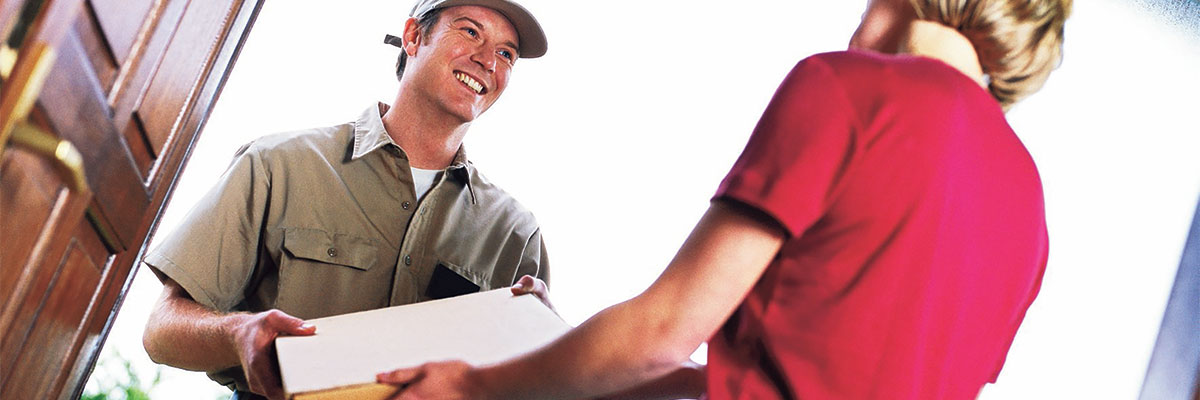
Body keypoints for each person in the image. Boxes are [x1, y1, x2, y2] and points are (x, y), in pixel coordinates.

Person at [376, 0, 1071, 398]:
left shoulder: (849, 89)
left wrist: (474, 387)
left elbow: (663, 330)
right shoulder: (1030, 196)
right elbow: (789, 372)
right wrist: (563, 352)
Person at [140, 1, 553, 399]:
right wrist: (238, 334)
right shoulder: (278, 165)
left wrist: (543, 342)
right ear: (413, 36)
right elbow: (162, 330)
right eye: (469, 31)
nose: (488, 61)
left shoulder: (515, 233)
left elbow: (539, 382)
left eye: (506, 53)